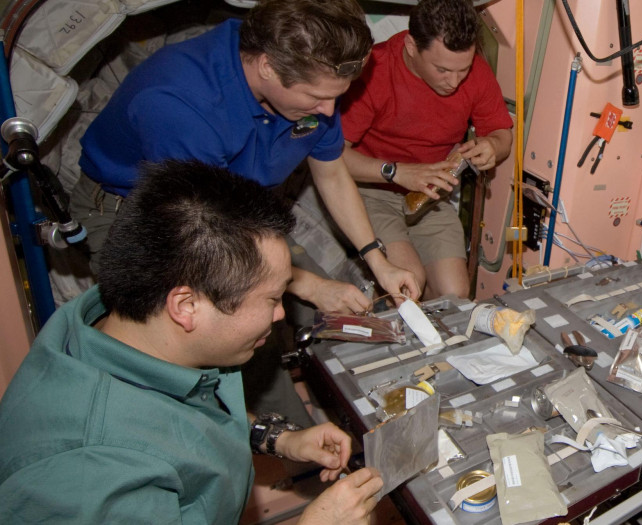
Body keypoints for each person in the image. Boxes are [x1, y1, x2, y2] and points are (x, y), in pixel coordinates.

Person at [0, 160, 384, 524]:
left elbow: (185, 420)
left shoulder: (116, 319)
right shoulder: (92, 476)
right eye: (270, 299)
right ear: (186, 306)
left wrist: (279, 439)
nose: (281, 313)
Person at [72, 0, 420, 308]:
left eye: (335, 97)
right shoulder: (181, 106)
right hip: (150, 215)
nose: (329, 111)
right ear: (267, 67)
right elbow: (208, 230)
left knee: (280, 322)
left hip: (237, 206)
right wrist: (308, 286)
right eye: (316, 98)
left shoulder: (315, 73)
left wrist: (378, 260)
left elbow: (330, 171)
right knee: (213, 325)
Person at [340, 0, 513, 299]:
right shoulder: (373, 72)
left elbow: (502, 135)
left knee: (454, 294)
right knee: (409, 284)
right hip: (371, 191)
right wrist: (397, 172)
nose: (455, 82)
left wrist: (492, 146)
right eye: (443, 70)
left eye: (463, 69)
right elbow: (332, 157)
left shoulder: (474, 73)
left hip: (430, 196)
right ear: (411, 46)